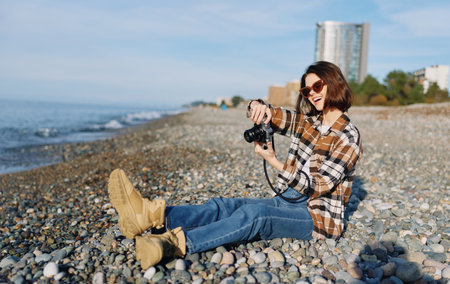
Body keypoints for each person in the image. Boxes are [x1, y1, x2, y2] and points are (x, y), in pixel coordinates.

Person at [108, 61, 362, 269]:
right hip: (288, 198)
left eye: (317, 86)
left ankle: (172, 244)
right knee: (227, 205)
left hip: (317, 218)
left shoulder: (348, 136)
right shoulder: (310, 122)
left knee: (256, 216)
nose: (313, 93)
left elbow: (318, 186)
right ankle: (153, 215)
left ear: (334, 83)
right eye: (307, 91)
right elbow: (278, 115)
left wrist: (274, 161)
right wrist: (257, 107)